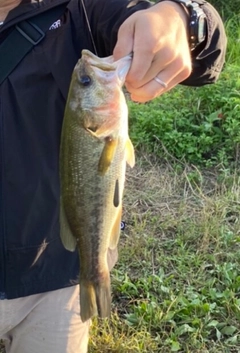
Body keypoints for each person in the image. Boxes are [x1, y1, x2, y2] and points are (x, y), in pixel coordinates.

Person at [0, 0, 226, 352]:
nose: (89, 70)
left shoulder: (83, 12)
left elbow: (208, 50)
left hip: (55, 274)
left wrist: (183, 18)